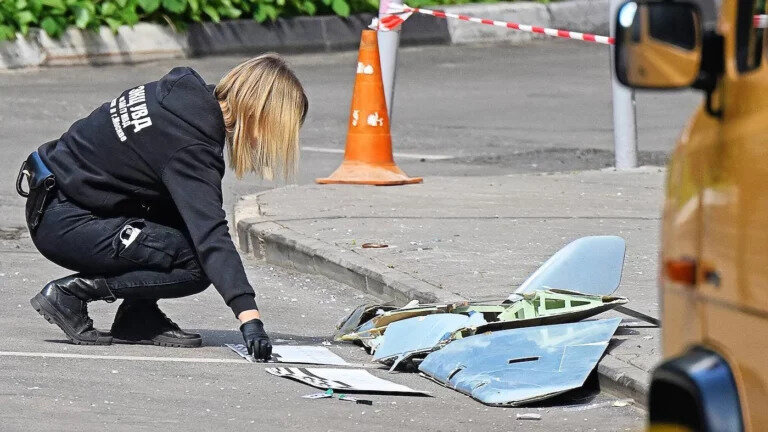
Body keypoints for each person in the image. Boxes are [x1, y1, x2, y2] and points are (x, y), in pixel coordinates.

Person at [16, 54, 308, 361]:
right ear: (259, 115)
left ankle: (138, 317)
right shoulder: (191, 144)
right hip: (65, 222)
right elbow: (210, 234)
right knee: (196, 265)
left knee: (179, 215)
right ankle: (72, 293)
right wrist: (250, 318)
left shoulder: (178, 95)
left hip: (56, 200)